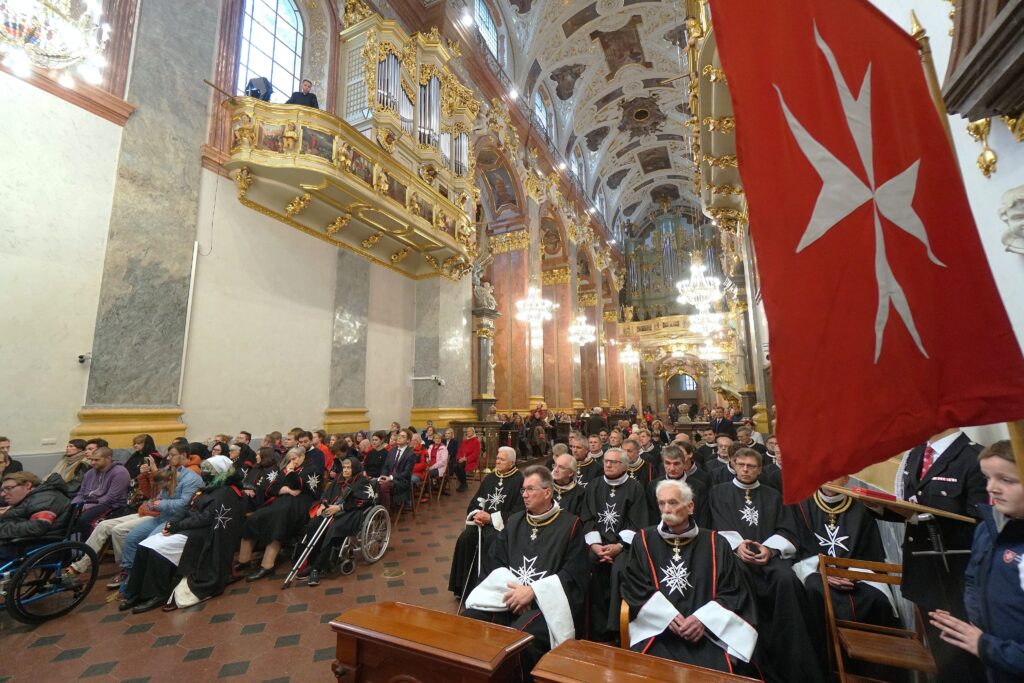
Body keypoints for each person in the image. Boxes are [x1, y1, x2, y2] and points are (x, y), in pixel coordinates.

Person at [709, 448, 824, 683]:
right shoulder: (718, 492)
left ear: (760, 469)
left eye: (751, 466)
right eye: (741, 464)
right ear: (733, 464)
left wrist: (770, 550)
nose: (745, 470)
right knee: (737, 580)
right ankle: (748, 661)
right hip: (735, 558)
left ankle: (790, 655)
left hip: (769, 559)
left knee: (787, 579)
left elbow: (787, 528)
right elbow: (716, 525)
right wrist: (737, 546)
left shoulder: (774, 496)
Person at [621, 479, 758, 674]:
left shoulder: (716, 543)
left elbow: (733, 590)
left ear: (690, 506)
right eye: (661, 503)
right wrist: (667, 617)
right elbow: (634, 584)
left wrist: (703, 620)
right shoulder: (643, 540)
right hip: (659, 631)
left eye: (673, 502)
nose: (666, 509)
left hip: (707, 634)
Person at [464, 465, 588, 677]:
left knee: (518, 642)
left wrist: (533, 593)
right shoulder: (514, 521)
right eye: (523, 489)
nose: (524, 494)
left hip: (545, 606)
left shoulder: (571, 526)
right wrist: (515, 593)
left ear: (547, 493)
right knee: (470, 620)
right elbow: (495, 561)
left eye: (530, 489)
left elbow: (573, 574)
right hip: (508, 597)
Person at [889, 429, 988, 683]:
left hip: (956, 578)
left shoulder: (973, 458)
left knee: (965, 665)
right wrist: (880, 508)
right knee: (943, 661)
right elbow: (909, 500)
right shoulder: (916, 454)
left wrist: (918, 517)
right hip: (924, 574)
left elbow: (981, 528)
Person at [930, 440, 1024, 683]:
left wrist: (984, 644)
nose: (991, 488)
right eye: (987, 478)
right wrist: (973, 623)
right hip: (996, 665)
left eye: (1007, 480)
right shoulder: (987, 529)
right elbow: (973, 578)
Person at [790, 474, 899, 680]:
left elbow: (870, 550)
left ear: (847, 478)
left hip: (857, 573)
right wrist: (824, 571)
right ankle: (825, 670)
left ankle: (872, 672)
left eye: (837, 474)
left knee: (877, 600)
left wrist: (852, 574)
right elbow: (800, 547)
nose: (830, 479)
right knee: (816, 592)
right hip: (815, 570)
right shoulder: (802, 506)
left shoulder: (861, 508)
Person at [119, 456, 244, 613]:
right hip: (187, 527)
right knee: (144, 545)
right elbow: (187, 509)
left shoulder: (225, 492)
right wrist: (172, 524)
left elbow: (205, 518)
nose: (204, 472)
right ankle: (136, 592)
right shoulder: (206, 488)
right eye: (204, 469)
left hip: (202, 534)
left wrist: (177, 526)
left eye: (208, 470)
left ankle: (156, 594)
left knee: (158, 549)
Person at [580, 447, 649, 642]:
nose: (608, 465)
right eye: (606, 461)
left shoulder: (635, 488)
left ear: (625, 465)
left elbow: (637, 523)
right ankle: (592, 629)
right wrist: (595, 545)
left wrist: (618, 547)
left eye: (614, 462)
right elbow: (587, 517)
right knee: (586, 564)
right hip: (597, 544)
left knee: (619, 569)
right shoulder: (594, 485)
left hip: (623, 546)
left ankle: (615, 628)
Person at [448, 447, 524, 601]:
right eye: (497, 458)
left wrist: (491, 518)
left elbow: (519, 512)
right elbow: (476, 501)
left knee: (492, 541)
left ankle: (487, 591)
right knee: (465, 538)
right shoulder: (490, 478)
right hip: (481, 523)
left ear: (512, 462)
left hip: (502, 527)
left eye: (502, 459)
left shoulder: (519, 481)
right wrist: (476, 515)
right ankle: (464, 587)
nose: (497, 461)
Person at [237, 447, 321, 581]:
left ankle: (267, 565)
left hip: (300, 504)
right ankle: (244, 560)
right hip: (281, 501)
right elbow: (272, 487)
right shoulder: (286, 469)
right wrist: (286, 489)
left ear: (302, 456)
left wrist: (291, 473)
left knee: (277, 521)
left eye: (295, 458)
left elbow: (302, 488)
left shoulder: (312, 469)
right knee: (254, 518)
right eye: (290, 459)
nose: (293, 461)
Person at [299, 457, 377, 586]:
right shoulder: (338, 479)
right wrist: (323, 504)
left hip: (351, 513)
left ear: (355, 469)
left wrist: (340, 507)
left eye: (348, 468)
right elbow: (326, 495)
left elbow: (364, 501)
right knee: (313, 525)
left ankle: (317, 568)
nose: (345, 470)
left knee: (333, 530)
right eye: (344, 467)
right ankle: (312, 562)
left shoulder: (361, 482)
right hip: (331, 510)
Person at [0, 472, 70, 561]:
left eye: (8, 488)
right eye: (3, 490)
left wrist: (2, 529)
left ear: (27, 485)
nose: (3, 494)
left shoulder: (45, 498)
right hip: (24, 544)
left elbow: (36, 527)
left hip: (31, 547)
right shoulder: (35, 497)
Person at [648, 443, 709, 529]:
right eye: (668, 463)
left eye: (676, 464)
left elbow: (703, 519)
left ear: (684, 464)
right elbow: (652, 518)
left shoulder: (699, 487)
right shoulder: (653, 486)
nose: (672, 468)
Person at [72, 446, 131, 532]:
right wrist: (74, 505)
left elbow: (111, 498)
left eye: (96, 460)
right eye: (92, 460)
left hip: (112, 505)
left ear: (108, 459)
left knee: (84, 519)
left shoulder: (120, 472)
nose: (93, 462)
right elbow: (81, 493)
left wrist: (86, 506)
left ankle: (86, 540)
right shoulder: (90, 472)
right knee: (67, 512)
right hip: (89, 502)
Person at [378, 429, 415, 511]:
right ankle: (377, 510)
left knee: (384, 486)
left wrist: (391, 478)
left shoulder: (411, 454)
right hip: (389, 479)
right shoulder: (392, 450)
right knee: (374, 483)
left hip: (402, 482)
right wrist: (382, 476)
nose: (399, 438)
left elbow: (406, 473)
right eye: (399, 436)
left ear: (408, 440)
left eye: (403, 436)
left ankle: (385, 512)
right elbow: (386, 467)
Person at [452, 427, 481, 493]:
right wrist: (459, 458)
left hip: (471, 460)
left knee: (460, 466)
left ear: (473, 432)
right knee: (454, 466)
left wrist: (466, 459)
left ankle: (464, 484)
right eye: (467, 431)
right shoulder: (464, 441)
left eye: (469, 431)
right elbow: (460, 451)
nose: (468, 432)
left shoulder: (476, 441)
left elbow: (475, 454)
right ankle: (464, 483)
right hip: (462, 459)